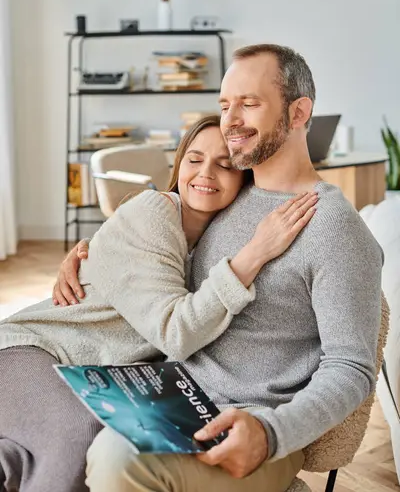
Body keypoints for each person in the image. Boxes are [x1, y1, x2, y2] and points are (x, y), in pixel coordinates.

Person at [58, 43, 383, 492]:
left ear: (298, 112)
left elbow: (351, 367)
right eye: (225, 105)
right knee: (60, 441)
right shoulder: (229, 195)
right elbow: (164, 254)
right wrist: (90, 254)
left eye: (249, 104)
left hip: (248, 427)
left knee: (118, 460)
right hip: (169, 396)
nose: (230, 120)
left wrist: (272, 435)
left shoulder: (333, 228)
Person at [0, 116, 315, 492]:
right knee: (79, 436)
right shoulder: (157, 210)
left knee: (51, 453)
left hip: (98, 376)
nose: (206, 173)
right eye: (194, 159)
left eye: (225, 164)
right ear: (178, 164)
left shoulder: (217, 239)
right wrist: (254, 255)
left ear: (245, 178)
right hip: (34, 349)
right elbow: (175, 333)